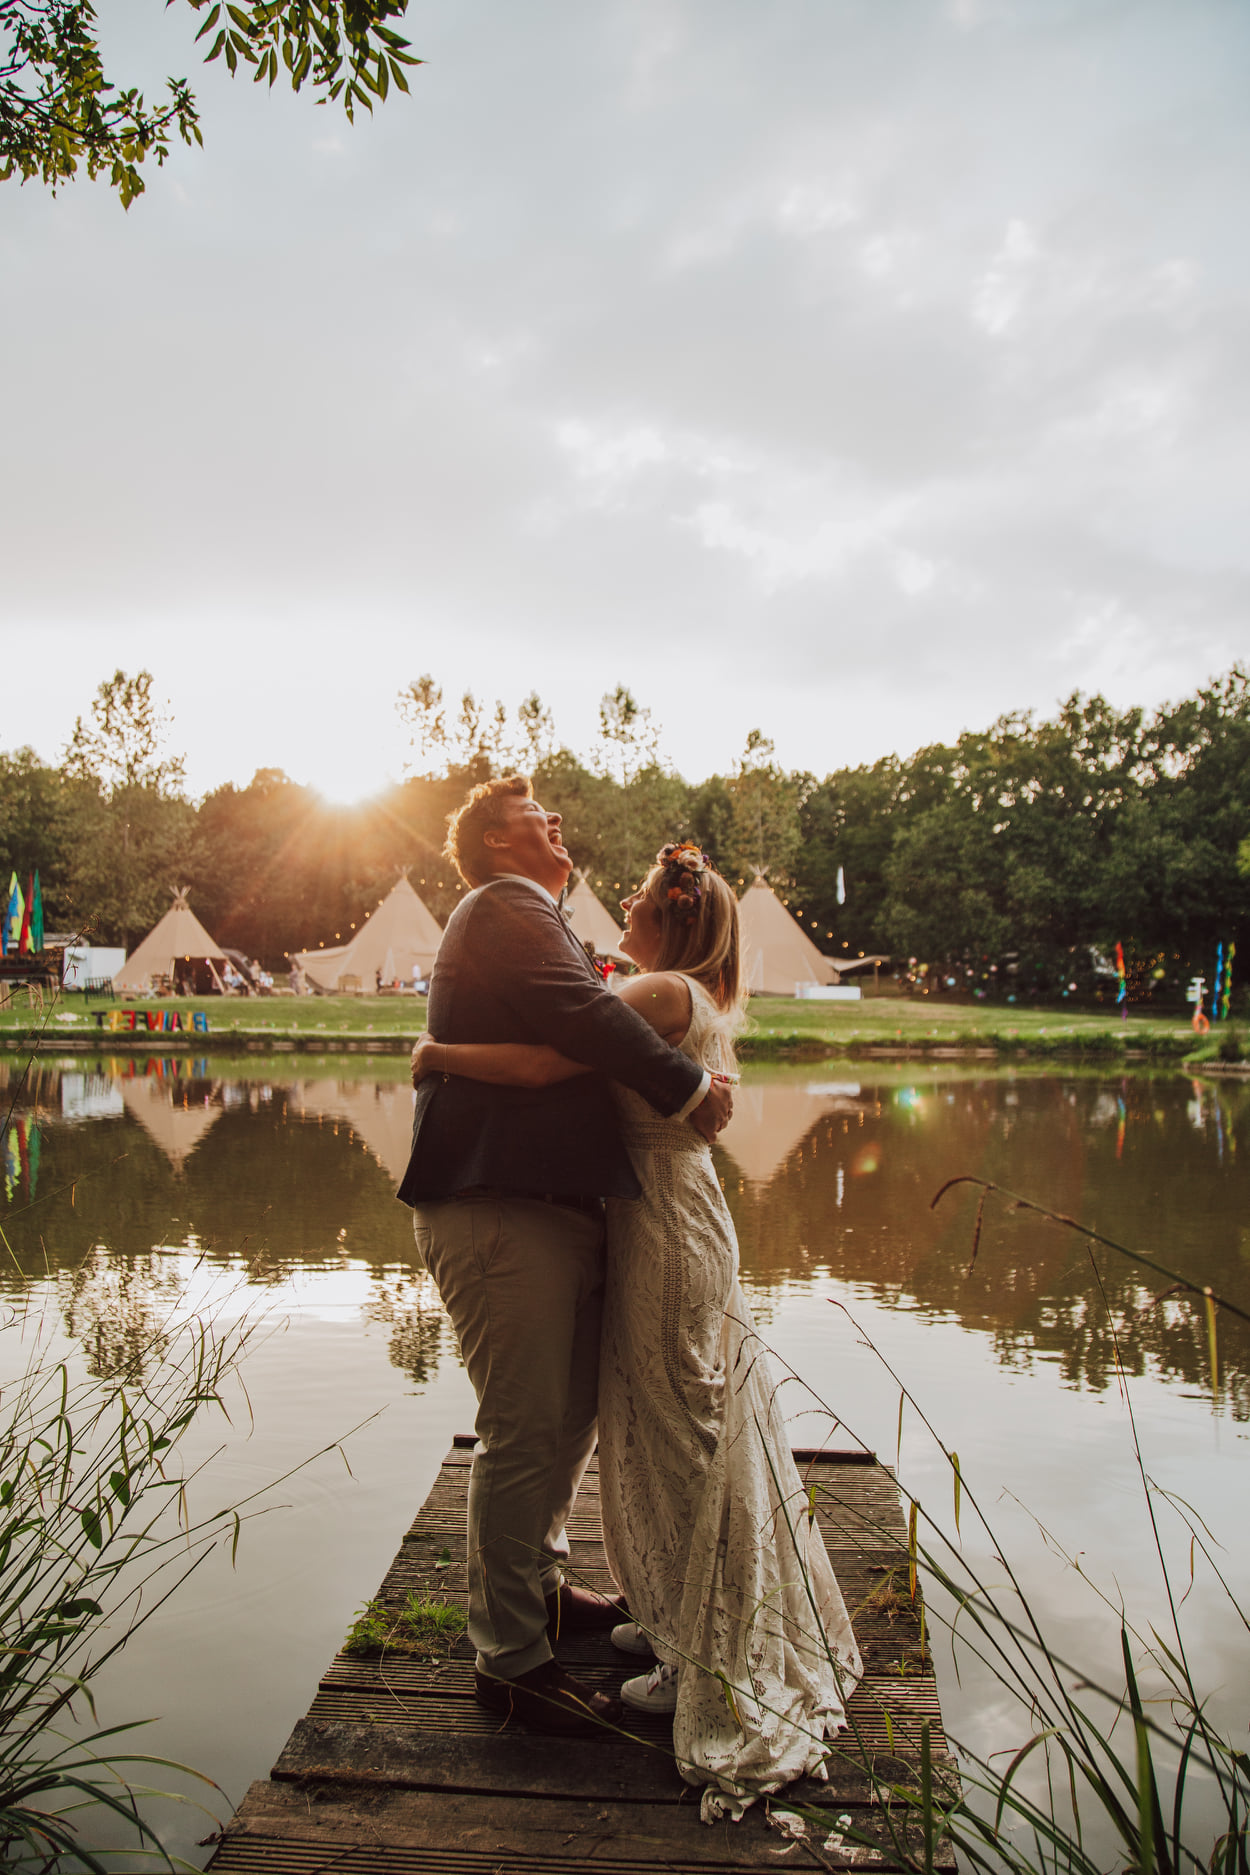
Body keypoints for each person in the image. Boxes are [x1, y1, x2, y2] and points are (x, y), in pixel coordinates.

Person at [411, 841, 863, 1820]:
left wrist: (434, 1053)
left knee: (680, 1436)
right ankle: (673, 1619)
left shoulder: (656, 996)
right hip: (665, 1219)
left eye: (638, 899)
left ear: (671, 923)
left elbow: (543, 1056)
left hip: (660, 1226)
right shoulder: (673, 990)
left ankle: (707, 1655)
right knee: (683, 1424)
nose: (618, 899)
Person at [396, 777, 733, 1739]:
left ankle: (539, 1588)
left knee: (567, 1417)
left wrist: (438, 1054)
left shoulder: (533, 916)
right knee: (523, 1429)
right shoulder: (501, 905)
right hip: (499, 1211)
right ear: (499, 846)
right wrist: (685, 1084)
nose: (557, 823)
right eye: (536, 816)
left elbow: (567, 1037)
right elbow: (584, 1021)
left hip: (556, 1210)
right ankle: (509, 1663)